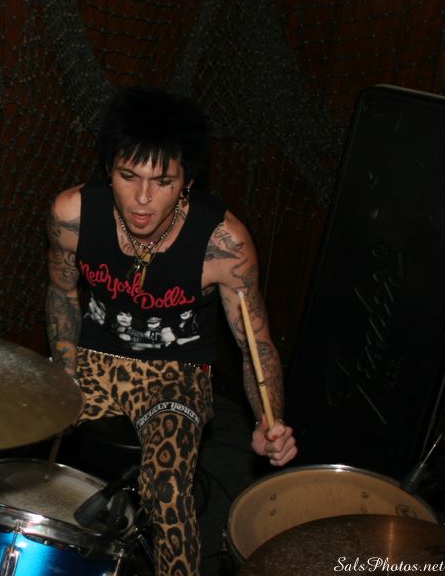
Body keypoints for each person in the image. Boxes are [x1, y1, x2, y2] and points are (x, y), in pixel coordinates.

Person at [45, 86, 297, 575]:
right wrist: (65, 372)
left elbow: (255, 345)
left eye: (162, 182)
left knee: (166, 488)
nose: (142, 199)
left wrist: (270, 421)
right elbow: (62, 293)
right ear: (108, 170)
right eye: (128, 176)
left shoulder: (223, 243)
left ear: (187, 181)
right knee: (13, 429)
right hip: (93, 358)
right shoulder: (72, 215)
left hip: (175, 373)